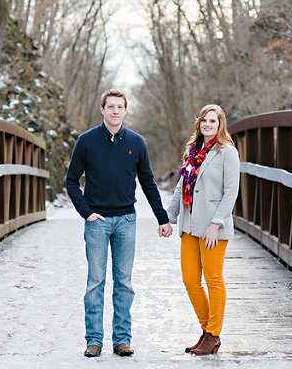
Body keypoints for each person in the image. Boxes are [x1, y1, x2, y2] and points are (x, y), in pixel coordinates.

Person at [65, 89, 173, 358]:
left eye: (120, 107)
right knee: (95, 283)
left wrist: (162, 218)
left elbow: (148, 182)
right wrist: (86, 212)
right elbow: (71, 180)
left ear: (125, 110)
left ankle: (122, 340)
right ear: (102, 109)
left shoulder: (136, 142)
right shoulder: (87, 141)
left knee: (124, 283)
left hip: (126, 220)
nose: (115, 111)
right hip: (97, 221)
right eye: (110, 106)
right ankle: (94, 340)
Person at [167, 104, 240, 356]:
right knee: (190, 280)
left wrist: (216, 224)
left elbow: (231, 192)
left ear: (220, 125)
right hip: (189, 225)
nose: (208, 125)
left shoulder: (228, 152)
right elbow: (181, 187)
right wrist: (169, 216)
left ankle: (212, 334)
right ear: (198, 123)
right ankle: (208, 331)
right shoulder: (193, 150)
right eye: (204, 121)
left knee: (213, 279)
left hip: (212, 227)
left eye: (213, 121)